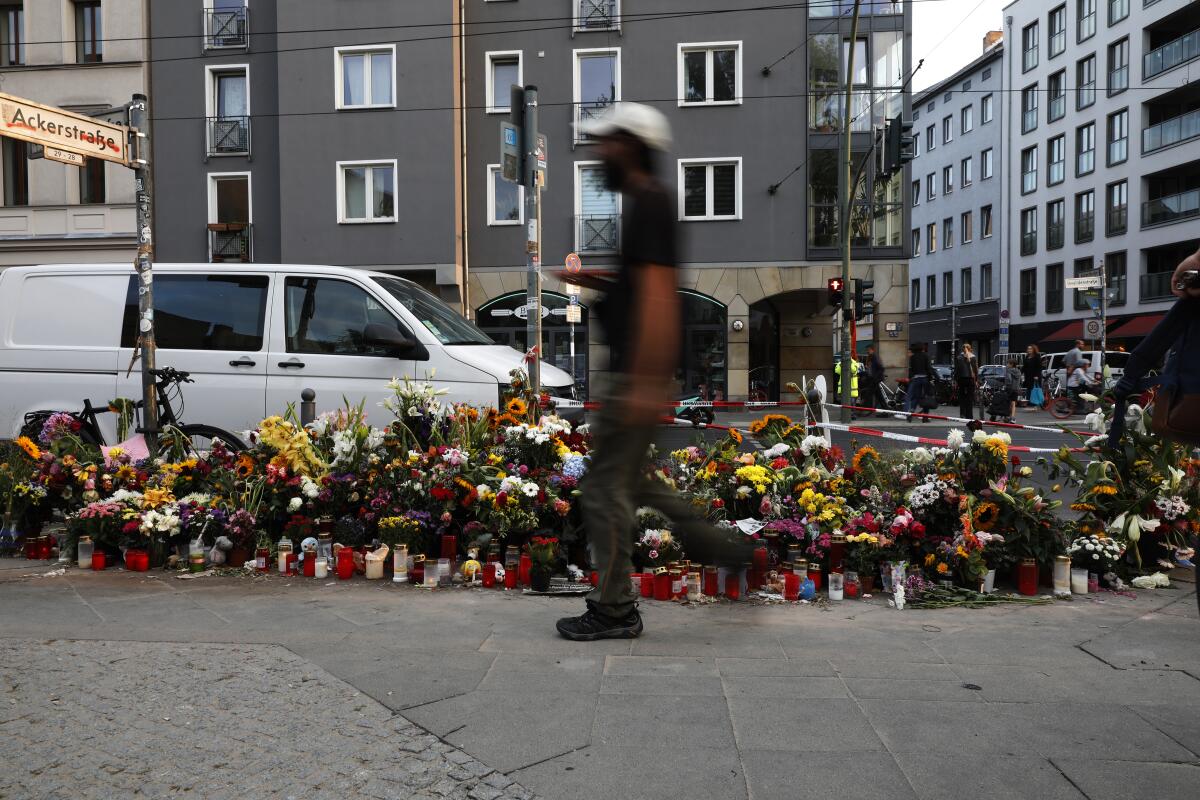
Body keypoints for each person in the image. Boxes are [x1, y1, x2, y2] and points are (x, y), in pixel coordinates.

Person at [557, 103, 751, 641]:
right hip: (638, 373)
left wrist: (645, 381)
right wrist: (600, 285)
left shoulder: (650, 202)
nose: (597, 153)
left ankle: (615, 609)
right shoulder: (645, 202)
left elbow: (661, 299)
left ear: (630, 145)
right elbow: (643, 287)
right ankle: (720, 546)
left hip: (637, 375)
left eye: (605, 143)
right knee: (629, 481)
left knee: (601, 491)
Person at [904, 343, 932, 422]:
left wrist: (911, 377)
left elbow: (911, 369)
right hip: (925, 378)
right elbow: (928, 368)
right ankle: (925, 417)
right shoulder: (925, 356)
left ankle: (911, 413)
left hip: (916, 379)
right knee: (926, 397)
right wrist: (930, 378)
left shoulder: (913, 357)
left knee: (916, 397)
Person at [955, 343, 979, 420]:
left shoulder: (959, 357)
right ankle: (969, 415)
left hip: (961, 379)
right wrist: (977, 380)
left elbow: (957, 370)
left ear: (963, 349)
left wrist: (955, 380)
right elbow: (975, 370)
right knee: (969, 397)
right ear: (970, 349)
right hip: (970, 379)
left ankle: (962, 414)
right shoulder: (973, 357)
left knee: (962, 397)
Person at [863, 344, 887, 414]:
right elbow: (871, 369)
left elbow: (881, 368)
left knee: (869, 394)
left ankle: (867, 410)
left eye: (868, 350)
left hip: (875, 379)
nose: (867, 351)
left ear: (872, 350)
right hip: (873, 379)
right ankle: (886, 410)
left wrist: (875, 377)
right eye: (867, 350)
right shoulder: (871, 357)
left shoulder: (875, 357)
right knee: (878, 395)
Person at [1023, 345, 1044, 410]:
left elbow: (1039, 367)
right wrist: (1021, 373)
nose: (1029, 350)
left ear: (1034, 350)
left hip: (1035, 376)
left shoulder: (1037, 357)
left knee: (1034, 390)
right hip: (1028, 376)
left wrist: (1037, 375)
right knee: (1029, 389)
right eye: (1028, 349)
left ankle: (1035, 404)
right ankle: (1030, 403)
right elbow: (1024, 366)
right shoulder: (1027, 357)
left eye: (1030, 349)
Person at [1005, 357, 1023, 423]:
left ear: (1011, 364)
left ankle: (1007, 416)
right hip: (1016, 389)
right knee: (1013, 403)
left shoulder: (1009, 370)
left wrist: (1006, 385)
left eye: (1008, 363)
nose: (1007, 365)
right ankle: (1012, 418)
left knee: (1008, 402)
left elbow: (1009, 379)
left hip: (1010, 388)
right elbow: (1021, 381)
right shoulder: (1018, 371)